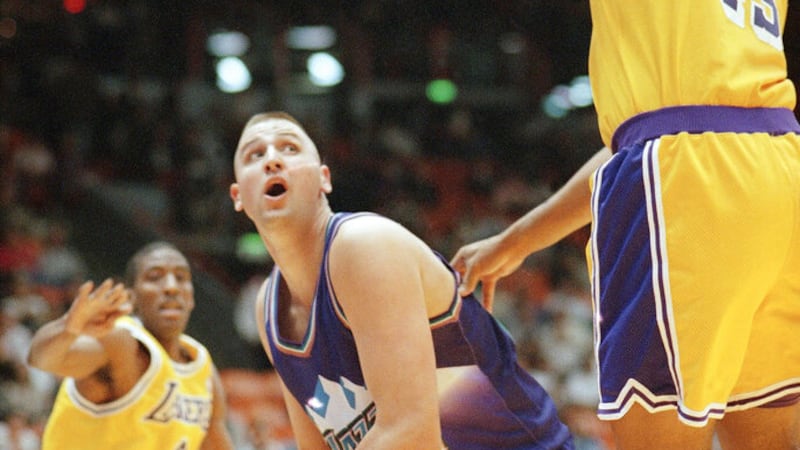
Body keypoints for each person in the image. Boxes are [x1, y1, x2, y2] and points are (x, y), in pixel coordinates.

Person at [451, 2, 800, 449]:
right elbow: (650, 133)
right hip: (779, 164)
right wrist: (517, 240)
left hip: (686, 177)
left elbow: (669, 138)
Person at [228, 111, 575, 449]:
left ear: (324, 179)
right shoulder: (269, 306)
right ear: (238, 196)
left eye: (289, 148)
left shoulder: (363, 244)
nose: (272, 160)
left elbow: (411, 434)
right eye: (255, 155)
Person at [27, 241, 235, 450]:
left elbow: (216, 443)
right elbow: (43, 360)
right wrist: (69, 328)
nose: (171, 287)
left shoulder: (201, 366)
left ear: (191, 297)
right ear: (131, 297)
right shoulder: (119, 342)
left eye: (181, 278)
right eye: (155, 277)